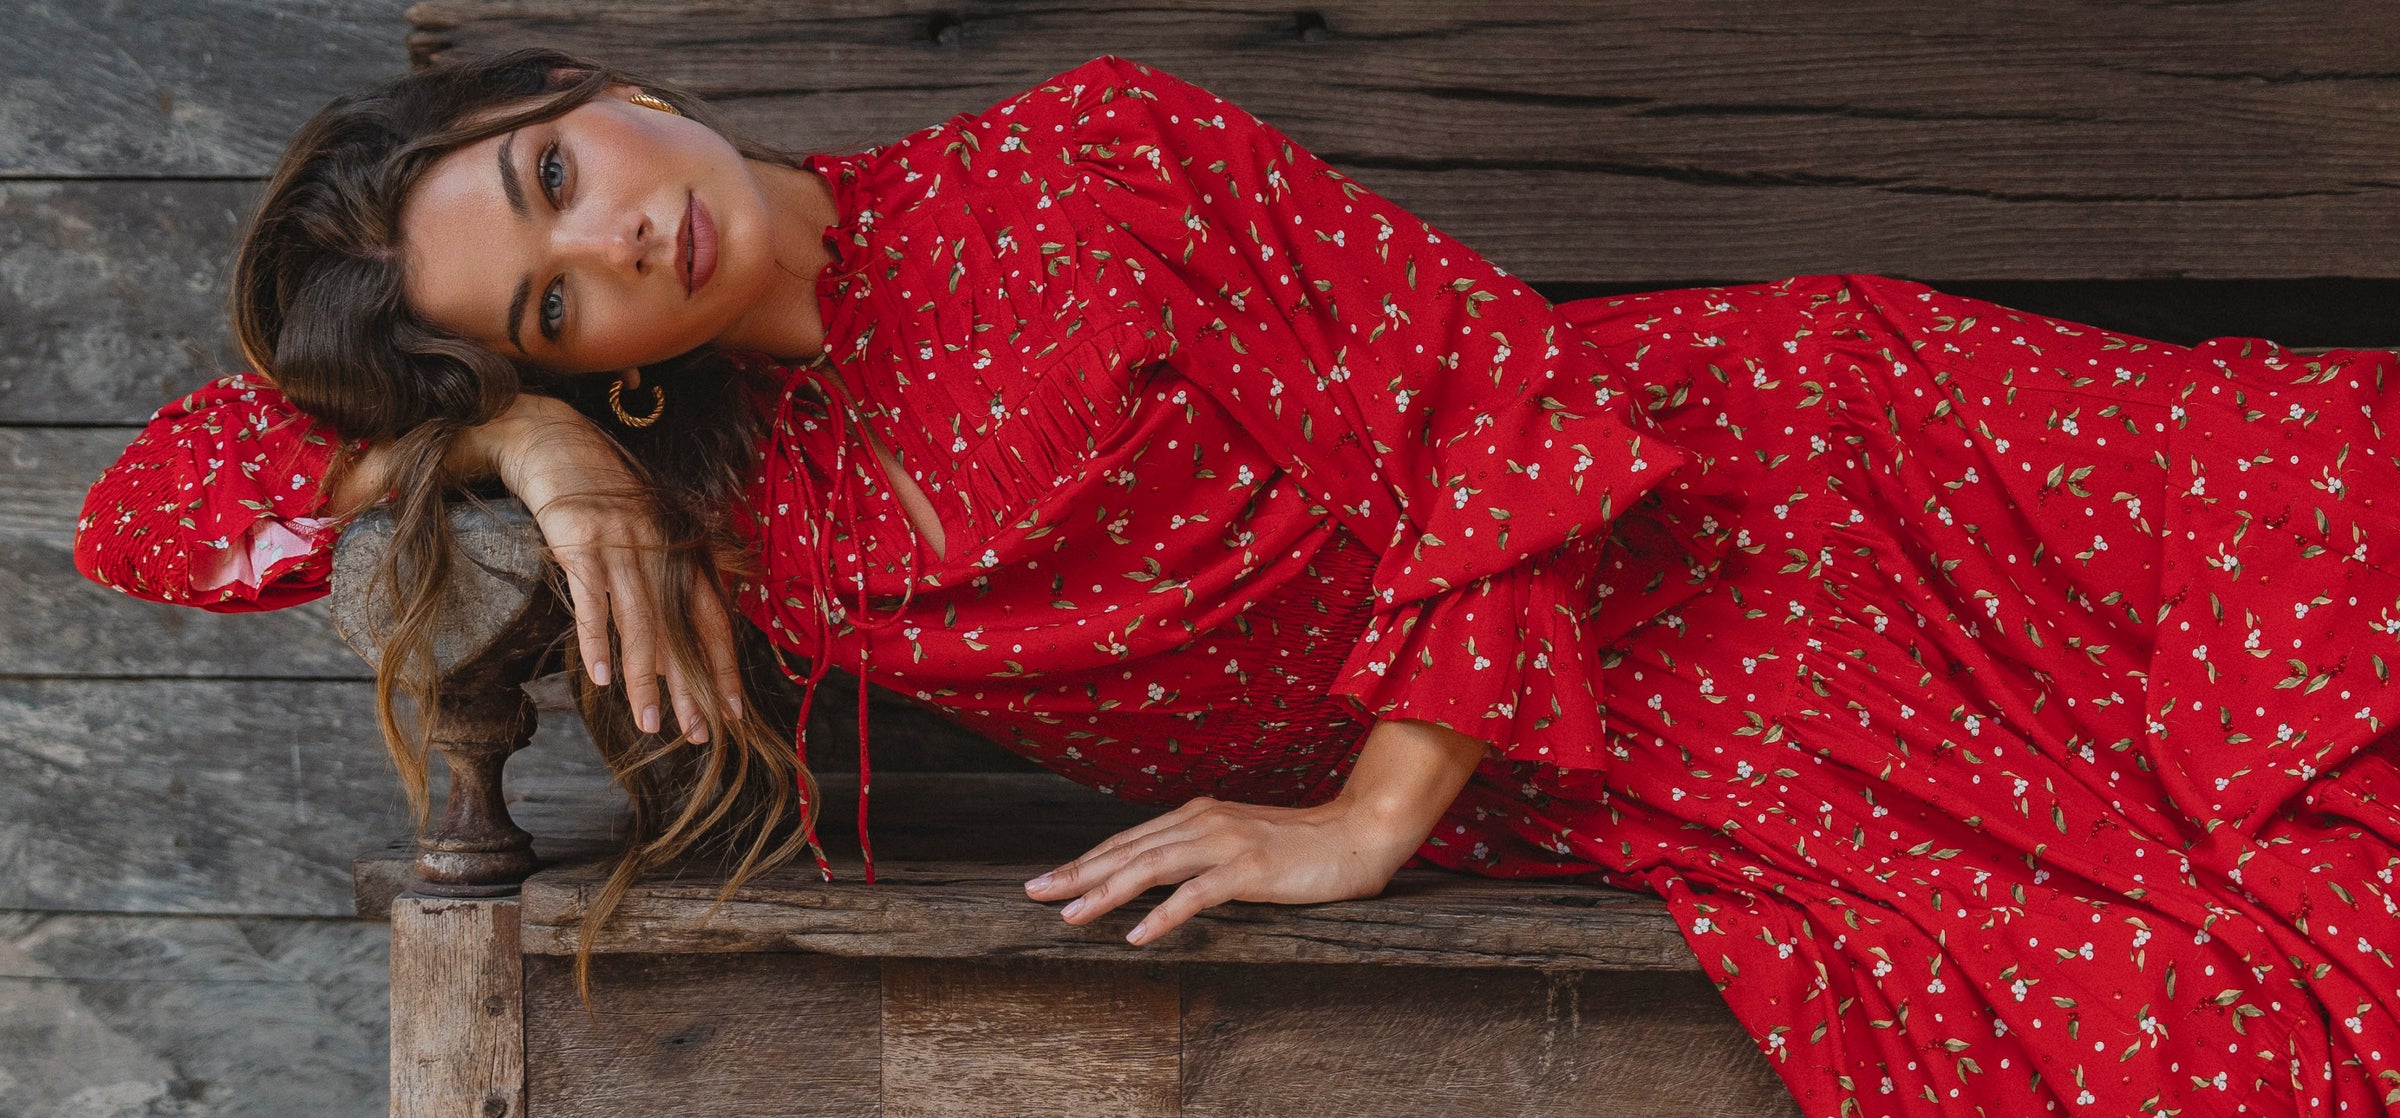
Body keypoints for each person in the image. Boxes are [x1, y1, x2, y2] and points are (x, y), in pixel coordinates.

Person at [73, 47, 2400, 1114]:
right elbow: (163, 518)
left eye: (554, 174)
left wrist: (1369, 817)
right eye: (555, 298)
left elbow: (1490, 417)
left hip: (1791, 485)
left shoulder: (1094, 158)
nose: (613, 236)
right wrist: (520, 439)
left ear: (592, 89)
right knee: (2190, 985)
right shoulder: (745, 506)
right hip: (1638, 736)